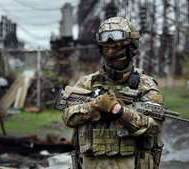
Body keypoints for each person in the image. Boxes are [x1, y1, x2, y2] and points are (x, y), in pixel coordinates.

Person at [62, 16, 164, 169]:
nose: (111, 52)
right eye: (106, 48)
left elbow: (154, 127)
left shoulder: (145, 85)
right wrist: (94, 107)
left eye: (117, 48)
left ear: (130, 48)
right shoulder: (87, 83)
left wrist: (120, 112)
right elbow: (68, 117)